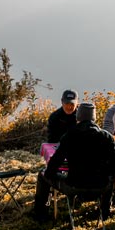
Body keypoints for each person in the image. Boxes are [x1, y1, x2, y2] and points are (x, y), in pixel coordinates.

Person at [40, 102, 115, 221]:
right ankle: (104, 213)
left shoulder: (69, 136)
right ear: (94, 118)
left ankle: (40, 214)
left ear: (78, 117)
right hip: (101, 186)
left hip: (74, 185)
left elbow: (54, 165)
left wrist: (50, 175)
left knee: (42, 175)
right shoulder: (107, 137)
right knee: (108, 180)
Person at [32, 90, 79, 221]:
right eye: (67, 103)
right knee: (53, 167)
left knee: (45, 174)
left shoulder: (81, 117)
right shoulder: (55, 117)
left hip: (75, 156)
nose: (70, 106)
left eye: (72, 104)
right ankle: (44, 206)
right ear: (62, 102)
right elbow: (51, 139)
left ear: (77, 103)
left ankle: (40, 211)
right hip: (59, 148)